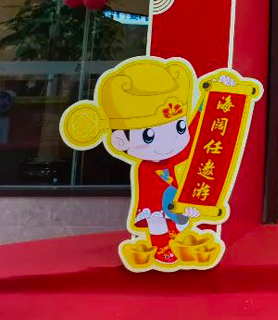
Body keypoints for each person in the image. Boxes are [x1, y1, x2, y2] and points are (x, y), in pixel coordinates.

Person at [60, 57, 235, 267]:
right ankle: (161, 248)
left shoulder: (176, 154)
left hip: (178, 208)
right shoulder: (145, 170)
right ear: (120, 140)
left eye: (180, 127)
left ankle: (175, 240)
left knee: (175, 223)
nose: (170, 141)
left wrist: (218, 91)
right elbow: (153, 201)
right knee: (157, 219)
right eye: (149, 135)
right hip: (161, 210)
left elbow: (199, 129)